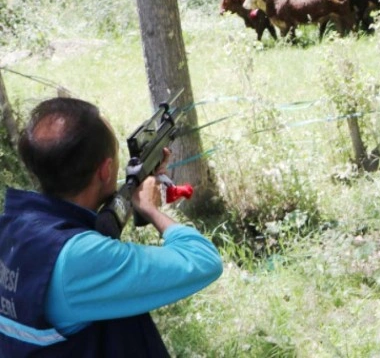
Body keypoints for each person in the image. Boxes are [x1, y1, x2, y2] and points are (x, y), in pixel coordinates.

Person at [0, 97, 224, 357]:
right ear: (106, 171)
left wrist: (133, 187)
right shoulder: (78, 259)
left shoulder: (13, 228)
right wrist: (151, 210)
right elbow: (204, 260)